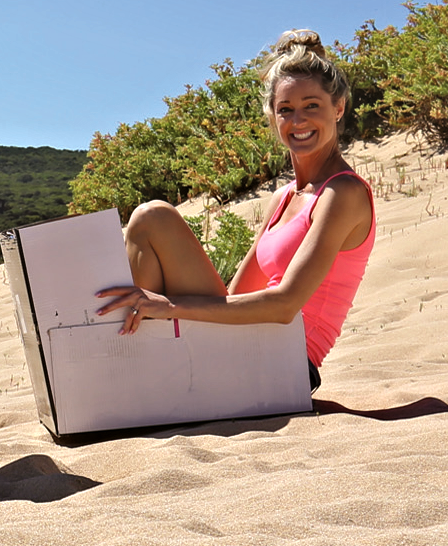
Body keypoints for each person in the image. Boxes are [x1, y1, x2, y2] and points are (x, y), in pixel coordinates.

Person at [95, 29, 376, 387]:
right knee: (150, 219)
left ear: (338, 108)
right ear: (272, 117)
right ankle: (135, 361)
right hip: (243, 348)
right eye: (285, 110)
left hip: (284, 366)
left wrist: (170, 306)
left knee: (153, 219)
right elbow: (236, 296)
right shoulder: (284, 198)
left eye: (311, 106)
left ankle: (131, 372)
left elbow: (285, 306)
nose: (298, 121)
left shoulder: (343, 193)